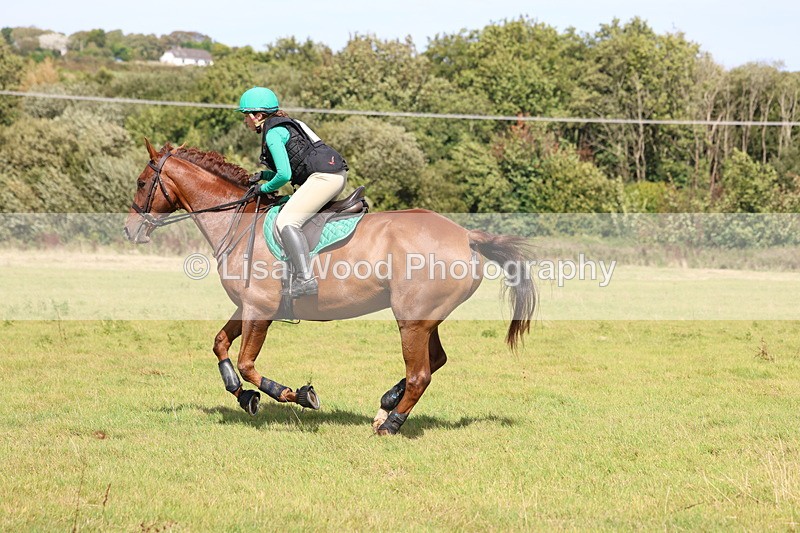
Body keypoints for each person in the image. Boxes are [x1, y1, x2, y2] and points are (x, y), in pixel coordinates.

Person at [238, 87, 348, 297]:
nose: (245, 121)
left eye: (246, 116)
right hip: (333, 174)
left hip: (324, 178)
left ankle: (306, 279)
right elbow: (296, 167)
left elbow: (285, 175)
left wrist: (263, 188)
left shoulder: (272, 133)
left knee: (286, 221)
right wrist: (263, 176)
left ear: (258, 116)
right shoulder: (288, 124)